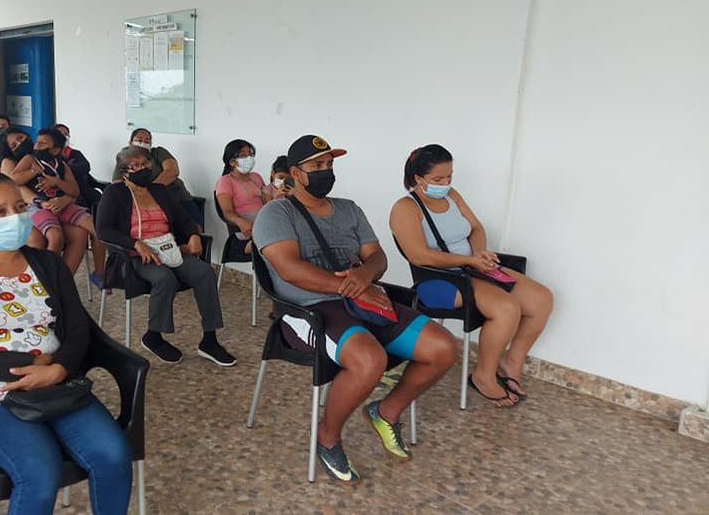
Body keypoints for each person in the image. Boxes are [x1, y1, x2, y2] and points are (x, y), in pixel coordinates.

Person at [0, 171, 132, 515]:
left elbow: (78, 329)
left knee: (112, 454)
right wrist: (32, 365)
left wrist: (59, 368)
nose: (15, 217)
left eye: (19, 207)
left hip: (56, 385)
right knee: (39, 470)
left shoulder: (48, 264)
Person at [252, 135, 457, 483]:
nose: (326, 171)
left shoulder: (349, 209)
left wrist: (364, 276)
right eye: (317, 165)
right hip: (308, 310)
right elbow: (290, 270)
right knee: (370, 360)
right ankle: (327, 435)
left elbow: (377, 256)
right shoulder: (276, 213)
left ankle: (385, 412)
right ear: (295, 173)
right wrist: (355, 286)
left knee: (442, 347)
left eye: (330, 164)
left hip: (362, 300)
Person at [390, 144, 554, 406]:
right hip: (437, 280)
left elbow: (476, 228)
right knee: (507, 308)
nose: (446, 183)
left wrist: (479, 254)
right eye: (438, 179)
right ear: (419, 179)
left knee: (541, 299)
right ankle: (483, 377)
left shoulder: (452, 195)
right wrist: (469, 261)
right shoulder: (405, 208)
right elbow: (420, 256)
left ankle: (511, 363)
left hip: (471, 268)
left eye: (449, 176)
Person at [97, 146, 235, 366]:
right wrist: (136, 244)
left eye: (145, 163)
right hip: (135, 257)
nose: (143, 168)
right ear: (124, 172)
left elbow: (182, 219)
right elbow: (103, 230)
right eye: (135, 166)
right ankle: (153, 335)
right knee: (164, 278)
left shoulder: (159, 191)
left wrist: (193, 235)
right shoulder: (115, 193)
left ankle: (209, 341)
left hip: (169, 250)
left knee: (204, 272)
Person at [9, 129, 106, 285]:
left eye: (43, 143)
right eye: (37, 142)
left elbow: (74, 191)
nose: (38, 146)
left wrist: (57, 182)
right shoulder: (30, 159)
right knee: (55, 236)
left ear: (55, 150)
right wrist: (33, 172)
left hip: (63, 205)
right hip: (39, 207)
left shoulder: (61, 164)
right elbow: (12, 180)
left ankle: (99, 273)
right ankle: (46, 279)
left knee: (98, 229)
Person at [113, 128, 202, 228]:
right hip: (142, 204)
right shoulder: (124, 157)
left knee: (193, 229)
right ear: (130, 142)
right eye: (139, 140)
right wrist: (140, 196)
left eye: (147, 141)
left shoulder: (158, 152)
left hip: (177, 198)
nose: (143, 143)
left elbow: (172, 171)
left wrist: (150, 192)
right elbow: (118, 183)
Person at [214, 139, 267, 256]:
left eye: (251, 154)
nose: (249, 158)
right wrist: (240, 221)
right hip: (246, 231)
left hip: (264, 223)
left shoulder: (256, 177)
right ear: (232, 162)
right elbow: (227, 213)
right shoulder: (225, 182)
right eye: (243, 155)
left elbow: (267, 201)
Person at [53, 123, 102, 210]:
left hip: (83, 187)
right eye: (60, 133)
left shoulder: (75, 153)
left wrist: (67, 169)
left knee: (100, 200)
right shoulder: (51, 155)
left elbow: (86, 166)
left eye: (66, 134)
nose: (64, 136)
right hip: (64, 190)